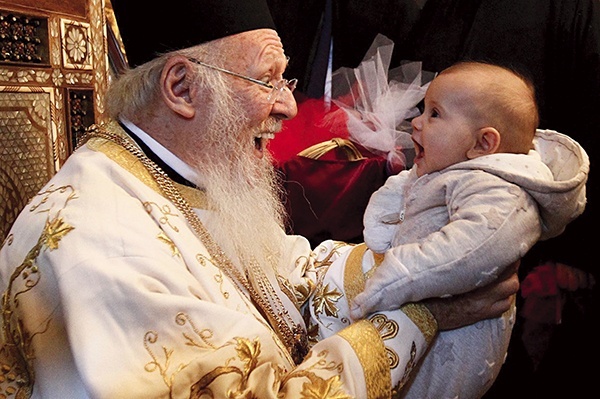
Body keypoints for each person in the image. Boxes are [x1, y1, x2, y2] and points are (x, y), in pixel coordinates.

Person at [0, 1, 520, 398]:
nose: (290, 105)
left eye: (284, 77)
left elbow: (287, 276)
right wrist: (423, 313)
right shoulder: (100, 247)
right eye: (265, 79)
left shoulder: (183, 172)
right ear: (180, 88)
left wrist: (425, 261)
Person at [350, 62, 589, 398]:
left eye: (434, 114)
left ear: (483, 144)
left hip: (456, 343)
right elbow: (403, 192)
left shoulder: (500, 191)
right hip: (418, 309)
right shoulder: (452, 169)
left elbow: (472, 249)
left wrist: (397, 274)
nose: (416, 122)